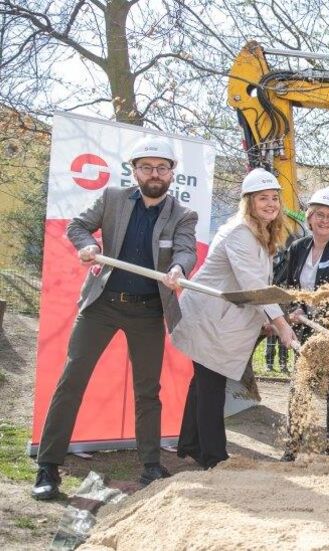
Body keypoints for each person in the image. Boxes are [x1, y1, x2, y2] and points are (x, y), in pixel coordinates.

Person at [32, 137, 198, 500]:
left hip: (148, 310)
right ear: (134, 170)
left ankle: (151, 465)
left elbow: (185, 250)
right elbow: (77, 226)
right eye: (146, 167)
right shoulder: (111, 199)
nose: (154, 174)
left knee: (147, 392)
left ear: (172, 173)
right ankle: (48, 466)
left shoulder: (182, 215)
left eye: (162, 168)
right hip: (102, 305)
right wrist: (86, 246)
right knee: (71, 380)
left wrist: (178, 268)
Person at [171, 168, 298, 469]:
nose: (270, 204)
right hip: (210, 319)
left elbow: (253, 286)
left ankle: (189, 443)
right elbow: (253, 285)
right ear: (248, 202)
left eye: (274, 199)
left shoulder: (261, 233)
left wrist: (268, 320)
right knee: (211, 386)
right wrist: (282, 326)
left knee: (203, 383)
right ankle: (214, 458)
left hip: (223, 320)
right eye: (262, 198)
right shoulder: (240, 233)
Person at [278, 187, 329, 460]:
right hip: (305, 329)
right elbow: (290, 286)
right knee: (300, 387)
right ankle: (292, 447)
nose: (324, 221)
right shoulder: (297, 248)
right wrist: (296, 307)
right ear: (309, 218)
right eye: (319, 215)